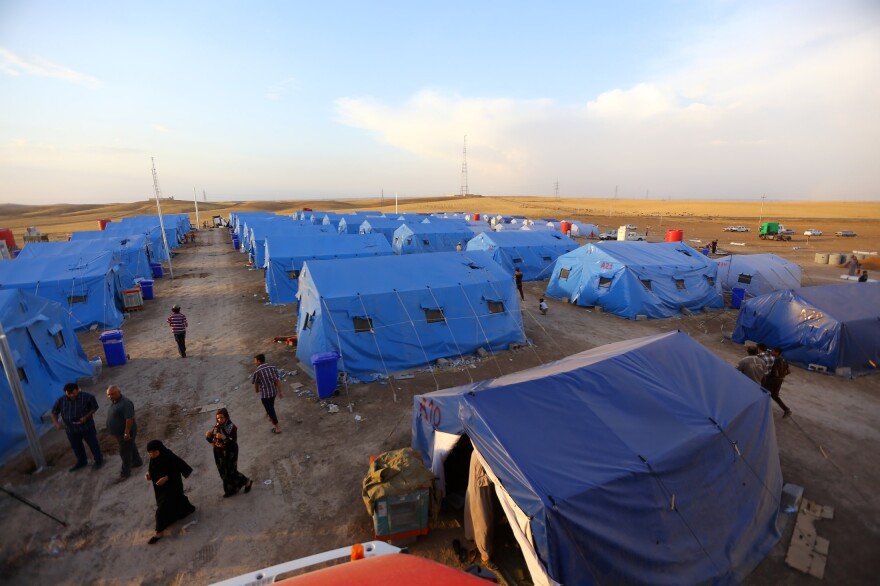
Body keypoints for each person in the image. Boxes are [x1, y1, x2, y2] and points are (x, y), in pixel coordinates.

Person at [144, 440, 196, 544]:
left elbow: (176, 470)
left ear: (160, 450)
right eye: (150, 452)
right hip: (160, 488)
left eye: (154, 452)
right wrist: (149, 475)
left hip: (173, 485)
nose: (152, 455)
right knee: (177, 499)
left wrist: (167, 477)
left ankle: (159, 532)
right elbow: (152, 470)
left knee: (161, 509)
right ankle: (188, 508)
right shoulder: (153, 458)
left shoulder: (169, 456)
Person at [51, 383, 103, 472]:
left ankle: (99, 460)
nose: (72, 395)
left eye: (73, 393)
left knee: (93, 444)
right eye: (69, 393)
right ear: (65, 392)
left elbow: (94, 407)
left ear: (77, 390)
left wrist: (86, 417)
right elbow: (54, 412)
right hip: (71, 429)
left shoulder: (87, 397)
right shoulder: (61, 401)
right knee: (76, 447)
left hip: (87, 427)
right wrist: (57, 423)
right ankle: (82, 461)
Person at [205, 408, 253, 498]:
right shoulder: (217, 426)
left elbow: (233, 443)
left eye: (222, 418)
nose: (220, 420)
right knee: (223, 472)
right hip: (219, 453)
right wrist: (209, 436)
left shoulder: (232, 428)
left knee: (231, 471)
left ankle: (247, 481)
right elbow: (213, 441)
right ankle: (230, 489)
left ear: (226, 417)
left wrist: (224, 438)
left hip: (230, 453)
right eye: (218, 418)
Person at [464, 449, 498, 573]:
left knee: (480, 519)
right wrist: (496, 476)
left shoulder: (478, 450)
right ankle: (485, 556)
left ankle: (479, 544)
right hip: (479, 493)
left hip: (479, 491)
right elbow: (480, 480)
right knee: (483, 523)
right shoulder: (479, 454)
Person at [105, 385, 143, 483]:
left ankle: (125, 473)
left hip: (125, 432)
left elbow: (129, 418)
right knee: (130, 446)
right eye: (108, 395)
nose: (110, 396)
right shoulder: (115, 401)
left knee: (124, 451)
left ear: (119, 392)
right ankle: (137, 461)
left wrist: (126, 432)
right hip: (120, 432)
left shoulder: (125, 403)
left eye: (112, 394)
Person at [252, 354, 283, 433]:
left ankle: (277, 428)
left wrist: (256, 390)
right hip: (273, 392)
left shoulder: (257, 371)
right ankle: (270, 415)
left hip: (265, 395)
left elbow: (256, 383)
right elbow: (277, 380)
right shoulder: (272, 367)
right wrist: (280, 391)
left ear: (259, 361)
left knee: (270, 410)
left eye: (255, 361)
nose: (254, 362)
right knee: (271, 405)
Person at [765, 347, 792, 418]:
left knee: (765, 392)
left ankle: (763, 409)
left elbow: (775, 372)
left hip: (773, 380)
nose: (771, 352)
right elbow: (788, 372)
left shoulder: (776, 360)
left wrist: (769, 375)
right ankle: (786, 409)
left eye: (773, 351)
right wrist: (781, 376)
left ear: (777, 353)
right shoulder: (784, 360)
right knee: (774, 395)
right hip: (780, 380)